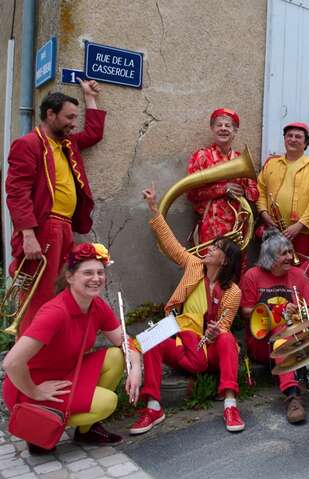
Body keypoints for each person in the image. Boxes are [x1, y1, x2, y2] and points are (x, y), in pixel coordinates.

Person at [2, 243, 141, 454]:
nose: (96, 278)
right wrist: (36, 391)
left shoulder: (97, 305)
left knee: (115, 356)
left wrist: (136, 367)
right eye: (88, 272)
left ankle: (86, 431)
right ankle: (42, 426)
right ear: (69, 277)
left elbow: (123, 341)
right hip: (31, 386)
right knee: (108, 402)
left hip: (66, 375)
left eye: (100, 272)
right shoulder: (55, 312)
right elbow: (11, 363)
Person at [131, 184, 245, 434]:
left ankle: (230, 403)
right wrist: (154, 209)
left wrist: (216, 332)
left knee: (226, 338)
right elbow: (172, 245)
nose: (208, 249)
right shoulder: (194, 266)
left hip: (210, 349)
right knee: (151, 340)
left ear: (224, 260)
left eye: (215, 248)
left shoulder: (233, 291)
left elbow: (224, 326)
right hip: (183, 339)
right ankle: (152, 406)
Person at [5, 81, 105, 335]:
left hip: (66, 227)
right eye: (69, 117)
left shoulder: (67, 145)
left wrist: (90, 97)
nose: (74, 123)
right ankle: (27, 362)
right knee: (39, 296)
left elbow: (94, 134)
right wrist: (28, 235)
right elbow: (17, 193)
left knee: (63, 290)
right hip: (45, 227)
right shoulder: (29, 144)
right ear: (50, 114)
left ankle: (51, 351)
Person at [239, 229, 309, 424]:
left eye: (290, 252)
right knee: (280, 331)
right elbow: (245, 311)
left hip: (294, 340)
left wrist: (297, 313)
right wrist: (274, 310)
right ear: (269, 257)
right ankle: (293, 398)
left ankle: (294, 393)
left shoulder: (299, 276)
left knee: (284, 333)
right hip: (261, 343)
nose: (290, 257)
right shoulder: (252, 276)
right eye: (284, 253)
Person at [186, 108, 259, 270]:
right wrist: (222, 189)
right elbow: (191, 193)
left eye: (228, 126)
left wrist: (244, 191)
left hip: (238, 228)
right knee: (209, 271)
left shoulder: (241, 159)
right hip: (211, 227)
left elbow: (254, 194)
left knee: (235, 272)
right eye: (219, 125)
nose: (223, 128)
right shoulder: (201, 157)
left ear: (235, 131)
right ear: (212, 129)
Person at [256, 122, 309, 259]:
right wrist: (264, 213)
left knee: (298, 273)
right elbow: (260, 190)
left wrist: (299, 225)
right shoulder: (271, 163)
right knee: (271, 268)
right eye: (289, 136)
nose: (293, 139)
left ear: (306, 142)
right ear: (284, 139)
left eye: (298, 137)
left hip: (303, 233)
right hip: (272, 230)